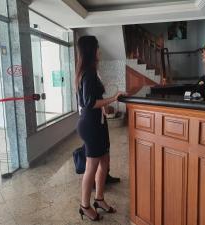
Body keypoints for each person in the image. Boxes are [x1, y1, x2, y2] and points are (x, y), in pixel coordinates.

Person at [76, 35, 126, 221]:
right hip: (91, 125)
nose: (100, 51)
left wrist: (107, 107)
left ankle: (99, 199)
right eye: (97, 48)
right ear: (91, 50)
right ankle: (84, 205)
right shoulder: (88, 73)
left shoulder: (89, 70)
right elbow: (89, 103)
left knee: (104, 162)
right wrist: (114, 98)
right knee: (92, 166)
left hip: (98, 123)